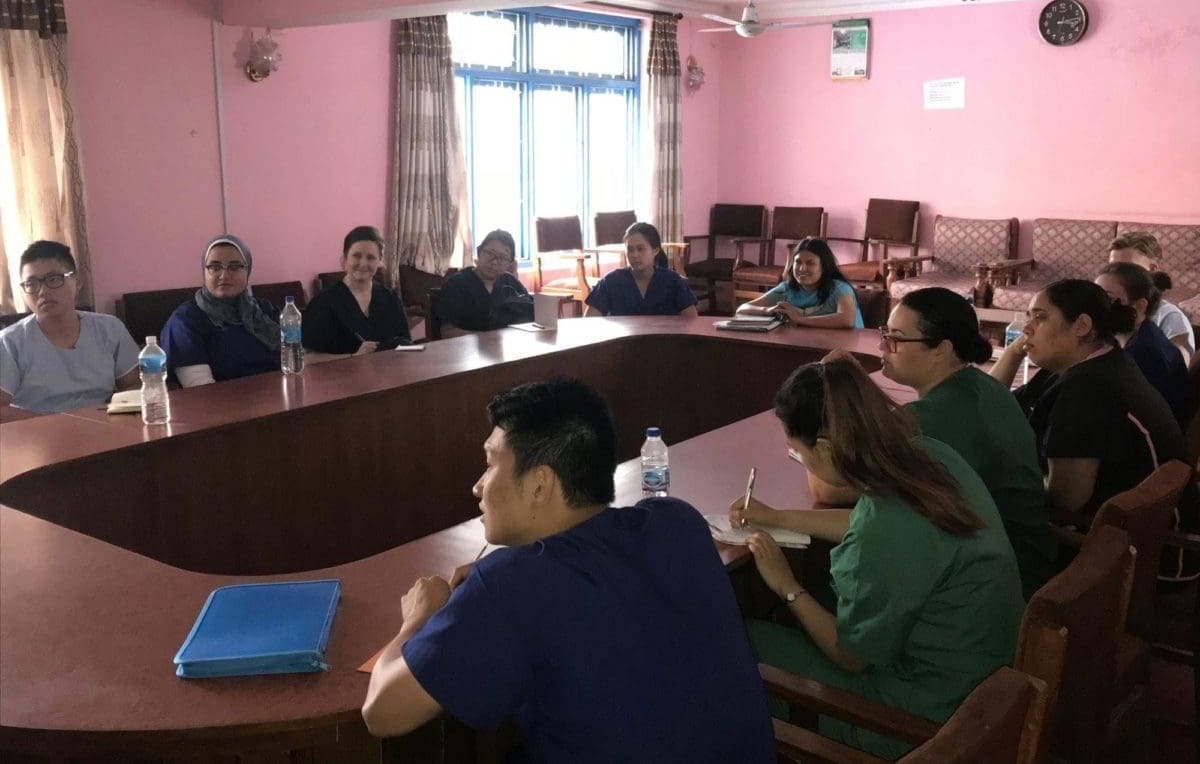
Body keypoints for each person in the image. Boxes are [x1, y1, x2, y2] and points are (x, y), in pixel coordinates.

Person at [362, 378, 775, 763]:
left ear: (541, 484)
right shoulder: (677, 521)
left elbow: (381, 712)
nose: (478, 486)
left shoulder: (511, 584)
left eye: (489, 465)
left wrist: (418, 616)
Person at [729, 359, 1022, 760]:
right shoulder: (928, 454)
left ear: (826, 448)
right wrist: (777, 517)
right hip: (985, 689)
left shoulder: (886, 530)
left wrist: (786, 586)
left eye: (796, 452)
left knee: (742, 636)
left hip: (926, 722)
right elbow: (864, 519)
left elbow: (851, 657)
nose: (798, 460)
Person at [879, 287, 1054, 598]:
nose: (883, 345)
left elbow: (830, 487)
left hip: (993, 587)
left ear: (942, 350)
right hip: (1028, 562)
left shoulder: (928, 417)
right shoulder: (986, 387)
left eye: (896, 338)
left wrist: (836, 386)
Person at [992, 279, 1185, 515]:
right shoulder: (1086, 363)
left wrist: (1010, 474)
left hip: (1116, 541)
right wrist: (1014, 351)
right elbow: (993, 403)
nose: (1026, 328)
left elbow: (1066, 499)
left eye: (1040, 318)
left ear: (1082, 326)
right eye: (1028, 317)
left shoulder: (1089, 387)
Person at [1, 240, 140, 413]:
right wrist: (56, 427)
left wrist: (111, 415)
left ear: (77, 281)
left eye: (53, 279)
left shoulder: (109, 328)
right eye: (31, 284)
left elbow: (134, 384)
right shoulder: (9, 342)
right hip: (39, 433)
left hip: (103, 426)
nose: (42, 291)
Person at [161, 234, 281, 386]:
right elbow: (201, 390)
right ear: (204, 272)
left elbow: (296, 359)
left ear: (248, 271)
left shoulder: (265, 310)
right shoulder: (185, 321)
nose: (224, 275)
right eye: (215, 267)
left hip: (283, 399)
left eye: (235, 267)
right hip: (224, 406)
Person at [1096, 262, 1191, 424]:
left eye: (1108, 298)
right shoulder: (1138, 333)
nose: (1096, 306)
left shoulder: (1144, 354)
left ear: (1139, 306)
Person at [302, 226, 411, 356]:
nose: (363, 263)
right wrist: (353, 357)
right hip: (340, 375)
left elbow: (407, 346)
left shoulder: (391, 299)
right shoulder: (323, 303)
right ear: (344, 260)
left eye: (371, 257)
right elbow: (308, 358)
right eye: (356, 256)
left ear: (379, 262)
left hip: (388, 374)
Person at [736, 237, 863, 328]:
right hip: (807, 345)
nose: (802, 269)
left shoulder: (839, 288)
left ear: (824, 266)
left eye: (810, 263)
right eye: (798, 262)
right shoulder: (786, 289)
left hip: (844, 351)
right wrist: (768, 310)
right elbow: (742, 309)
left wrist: (800, 319)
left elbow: (847, 319)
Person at [1108, 231, 1195, 362]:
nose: (1116, 276)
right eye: (1112, 267)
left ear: (1153, 269)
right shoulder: (1104, 308)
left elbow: (1177, 369)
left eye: (1128, 269)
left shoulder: (1169, 317)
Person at [584, 222, 698, 317]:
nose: (634, 255)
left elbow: (691, 320)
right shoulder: (611, 281)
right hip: (623, 343)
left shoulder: (672, 281)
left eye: (640, 249)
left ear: (655, 250)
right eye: (630, 249)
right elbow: (590, 322)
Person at [433, 230, 532, 337]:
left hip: (507, 349)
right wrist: (487, 339)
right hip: (466, 350)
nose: (494, 262)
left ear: (510, 263)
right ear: (479, 252)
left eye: (503, 258)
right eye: (490, 253)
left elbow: (530, 316)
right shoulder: (456, 285)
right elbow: (447, 332)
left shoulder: (511, 283)